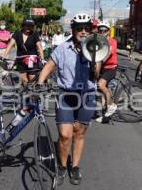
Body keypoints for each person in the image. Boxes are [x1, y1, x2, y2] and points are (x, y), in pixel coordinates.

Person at [37, 13, 99, 186]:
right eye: (80, 28)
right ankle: (63, 166)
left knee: (79, 132)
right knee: (65, 135)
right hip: (66, 94)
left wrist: (94, 60)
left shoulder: (96, 47)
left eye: (87, 28)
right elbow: (49, 66)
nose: (84, 31)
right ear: (73, 30)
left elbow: (96, 74)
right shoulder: (63, 48)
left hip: (87, 95)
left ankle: (75, 166)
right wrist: (40, 83)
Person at [3, 18, 45, 86]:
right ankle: (26, 93)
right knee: (24, 80)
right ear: (23, 25)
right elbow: (10, 45)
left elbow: (39, 47)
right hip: (20, 60)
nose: (29, 27)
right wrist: (4, 56)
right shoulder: (17, 33)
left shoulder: (35, 34)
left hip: (32, 60)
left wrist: (42, 59)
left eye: (31, 26)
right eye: (27, 25)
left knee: (32, 80)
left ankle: (33, 94)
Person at [95, 21, 118, 123]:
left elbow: (107, 54)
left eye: (104, 31)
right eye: (100, 31)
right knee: (101, 92)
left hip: (110, 68)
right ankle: (105, 116)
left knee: (100, 85)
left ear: (108, 32)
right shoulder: (97, 41)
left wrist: (99, 61)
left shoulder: (112, 41)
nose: (102, 33)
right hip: (101, 68)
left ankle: (111, 105)